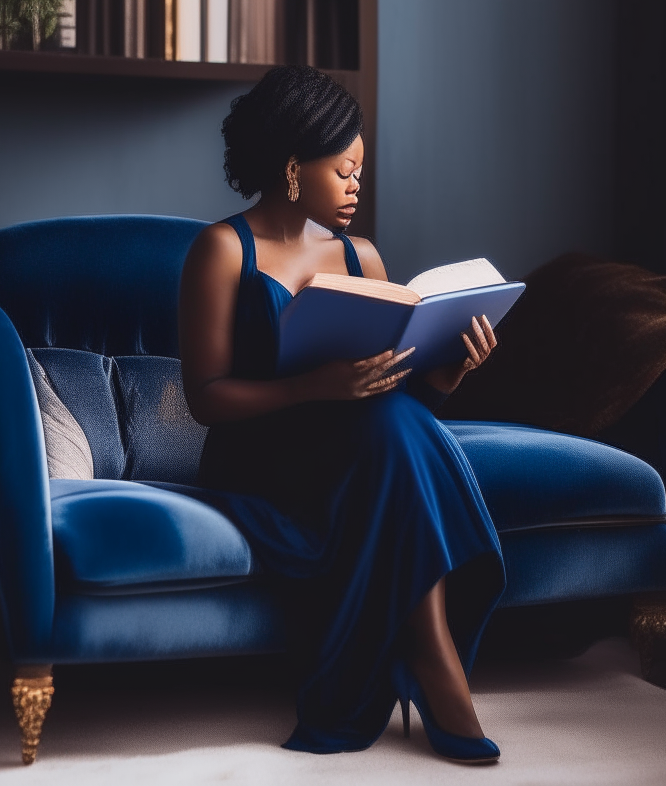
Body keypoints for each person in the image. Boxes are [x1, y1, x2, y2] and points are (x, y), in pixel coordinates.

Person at [178, 66, 506, 762]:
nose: (359, 185)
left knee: (397, 423)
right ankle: (437, 667)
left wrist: (446, 370)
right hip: (262, 464)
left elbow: (395, 393)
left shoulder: (363, 256)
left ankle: (431, 662)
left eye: (362, 170)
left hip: (360, 454)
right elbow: (205, 397)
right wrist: (312, 389)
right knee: (392, 434)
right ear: (295, 168)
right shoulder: (221, 250)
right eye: (346, 169)